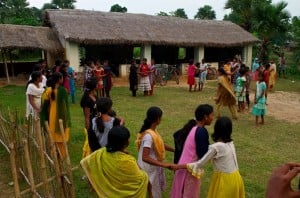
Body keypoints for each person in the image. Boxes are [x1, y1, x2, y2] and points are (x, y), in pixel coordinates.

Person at [172, 117, 245, 198]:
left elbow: (199, 164)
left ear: (216, 129)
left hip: (224, 180)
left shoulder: (216, 147)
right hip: (236, 178)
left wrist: (178, 166)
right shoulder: (230, 143)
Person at [80, 126, 149, 197]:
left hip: (107, 192)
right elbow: (141, 179)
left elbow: (86, 162)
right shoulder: (128, 161)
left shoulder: (101, 152)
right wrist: (145, 175)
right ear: (127, 143)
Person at [171, 104, 214, 198]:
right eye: (212, 115)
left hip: (184, 168)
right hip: (189, 171)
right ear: (205, 117)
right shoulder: (201, 131)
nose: (213, 118)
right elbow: (203, 154)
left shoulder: (194, 128)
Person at [136, 106, 174, 198]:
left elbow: (159, 144)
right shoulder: (148, 136)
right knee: (152, 188)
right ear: (158, 119)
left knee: (152, 188)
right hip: (149, 167)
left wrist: (174, 150)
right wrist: (163, 165)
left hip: (153, 165)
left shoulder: (152, 131)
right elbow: (145, 157)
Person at [41, 72, 71, 159]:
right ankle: (61, 153)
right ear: (59, 79)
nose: (63, 79)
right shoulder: (63, 90)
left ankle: (54, 152)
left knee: (53, 131)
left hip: (52, 114)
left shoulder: (49, 90)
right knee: (62, 131)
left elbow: (45, 103)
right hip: (62, 115)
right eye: (62, 78)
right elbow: (65, 105)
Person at [80, 77, 99, 157]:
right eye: (97, 84)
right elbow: (87, 116)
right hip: (92, 123)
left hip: (97, 122)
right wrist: (88, 129)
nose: (98, 85)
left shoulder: (94, 95)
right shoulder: (87, 100)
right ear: (94, 86)